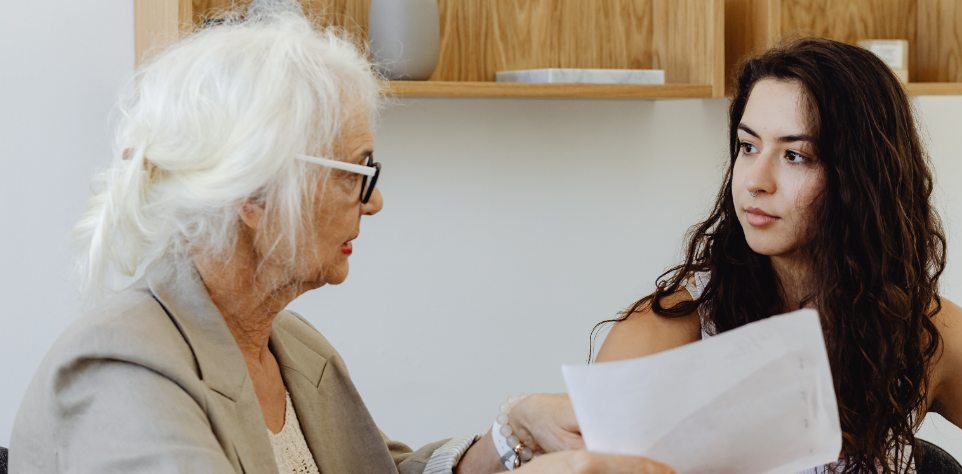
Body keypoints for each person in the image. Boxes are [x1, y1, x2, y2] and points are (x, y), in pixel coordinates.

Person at [7, 8, 672, 474]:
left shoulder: (292, 348)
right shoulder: (121, 370)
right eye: (360, 173)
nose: (375, 202)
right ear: (253, 193)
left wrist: (509, 436)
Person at [588, 37, 962, 474]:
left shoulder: (920, 332)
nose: (755, 181)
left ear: (859, 180)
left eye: (795, 155)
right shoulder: (665, 333)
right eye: (748, 147)